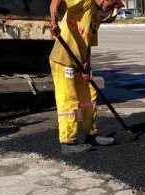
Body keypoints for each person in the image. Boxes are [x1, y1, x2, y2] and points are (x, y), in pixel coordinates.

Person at [49, 0, 124, 154]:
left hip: (79, 63)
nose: (112, 9)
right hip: (63, 59)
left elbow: (88, 43)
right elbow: (55, 2)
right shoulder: (83, 1)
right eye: (112, 5)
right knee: (68, 100)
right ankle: (68, 142)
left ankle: (92, 134)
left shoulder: (95, 16)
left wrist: (87, 67)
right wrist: (54, 21)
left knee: (89, 97)